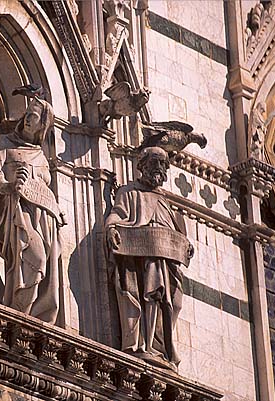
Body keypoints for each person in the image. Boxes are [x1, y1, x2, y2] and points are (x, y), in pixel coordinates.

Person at [105, 146, 194, 371]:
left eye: (162, 164)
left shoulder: (167, 202)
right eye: (154, 163)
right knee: (151, 294)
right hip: (143, 259)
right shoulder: (130, 192)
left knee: (173, 301)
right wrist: (111, 228)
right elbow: (117, 214)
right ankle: (144, 345)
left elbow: (176, 232)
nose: (158, 168)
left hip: (166, 260)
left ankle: (162, 347)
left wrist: (186, 247)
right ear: (142, 166)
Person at [0, 97, 64, 324]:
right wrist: (8, 186)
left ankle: (34, 316)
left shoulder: (40, 155)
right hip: (19, 212)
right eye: (28, 113)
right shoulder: (4, 143)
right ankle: (19, 311)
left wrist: (57, 211)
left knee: (48, 264)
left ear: (43, 125)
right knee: (36, 258)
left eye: (35, 116)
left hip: (44, 217)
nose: (28, 118)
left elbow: (45, 186)